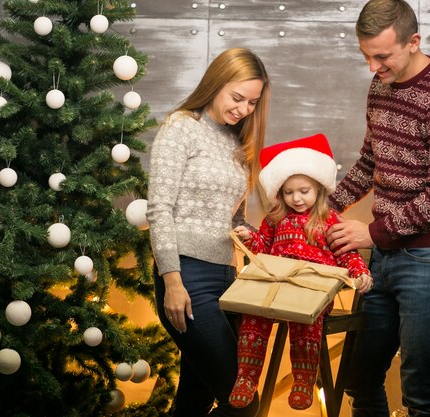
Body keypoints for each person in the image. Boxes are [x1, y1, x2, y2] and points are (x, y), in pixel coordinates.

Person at [326, 1, 430, 416]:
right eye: (366, 56)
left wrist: (370, 234)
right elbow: (372, 162)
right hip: (385, 257)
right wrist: (327, 206)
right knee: (360, 378)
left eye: (382, 56)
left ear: (414, 42)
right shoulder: (380, 85)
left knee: (421, 392)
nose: (373, 67)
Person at [146, 47, 270, 417]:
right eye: (238, 98)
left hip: (227, 277)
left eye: (252, 102)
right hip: (187, 276)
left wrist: (248, 231)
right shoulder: (181, 127)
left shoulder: (238, 142)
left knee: (194, 402)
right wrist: (172, 280)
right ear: (216, 83)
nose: (244, 109)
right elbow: (159, 208)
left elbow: (232, 219)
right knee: (242, 401)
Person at [228, 134, 373, 411]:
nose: (296, 198)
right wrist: (249, 237)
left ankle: (304, 381)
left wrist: (358, 273)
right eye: (289, 192)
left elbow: (347, 252)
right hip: (275, 286)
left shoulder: (328, 219)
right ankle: (246, 377)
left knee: (307, 321)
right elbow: (263, 250)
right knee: (253, 317)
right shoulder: (275, 218)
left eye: (304, 191)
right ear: (280, 193)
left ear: (318, 189)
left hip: (312, 290)